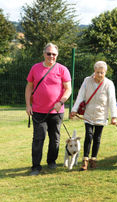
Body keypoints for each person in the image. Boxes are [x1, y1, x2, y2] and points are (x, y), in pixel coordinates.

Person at [25, 43, 72, 176]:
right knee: (38, 139)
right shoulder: (35, 68)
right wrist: (28, 105)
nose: (51, 56)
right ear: (44, 54)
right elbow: (29, 87)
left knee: (55, 138)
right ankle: (35, 166)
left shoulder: (62, 69)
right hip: (38, 111)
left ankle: (51, 161)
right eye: (49, 53)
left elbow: (68, 89)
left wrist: (61, 101)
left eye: (54, 54)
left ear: (57, 55)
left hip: (57, 111)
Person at [70, 61, 117, 171]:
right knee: (89, 135)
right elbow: (80, 95)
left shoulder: (109, 83)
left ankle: (94, 159)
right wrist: (74, 109)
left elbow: (112, 100)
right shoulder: (87, 81)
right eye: (98, 72)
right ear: (94, 71)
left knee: (97, 137)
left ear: (105, 72)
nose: (100, 75)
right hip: (88, 114)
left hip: (101, 114)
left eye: (102, 72)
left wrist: (114, 116)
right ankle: (85, 160)